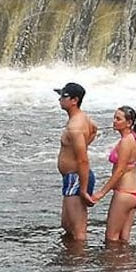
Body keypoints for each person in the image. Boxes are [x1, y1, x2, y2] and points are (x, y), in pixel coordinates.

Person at [91, 106, 136, 243]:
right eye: (114, 118)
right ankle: (127, 264)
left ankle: (113, 264)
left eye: (118, 119)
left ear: (129, 123)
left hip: (124, 194)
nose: (114, 121)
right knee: (124, 239)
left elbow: (120, 171)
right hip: (134, 193)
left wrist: (101, 193)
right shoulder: (134, 138)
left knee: (111, 239)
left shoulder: (126, 142)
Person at [55, 82, 97, 241]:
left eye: (63, 96)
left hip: (77, 178)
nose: (60, 99)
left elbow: (83, 160)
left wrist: (84, 190)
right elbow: (94, 129)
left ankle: (79, 264)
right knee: (67, 225)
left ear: (74, 100)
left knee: (78, 231)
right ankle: (70, 260)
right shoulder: (82, 118)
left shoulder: (75, 127)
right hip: (71, 177)